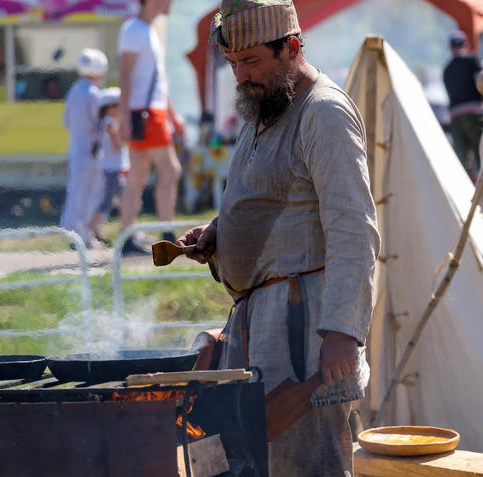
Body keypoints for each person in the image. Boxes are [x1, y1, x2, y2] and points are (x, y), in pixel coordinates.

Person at [177, 1, 380, 474]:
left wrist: (342, 332)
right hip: (258, 322)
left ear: (290, 47)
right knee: (252, 463)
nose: (241, 75)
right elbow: (272, 196)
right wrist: (219, 231)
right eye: (233, 63)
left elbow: (354, 229)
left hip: (304, 331)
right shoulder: (264, 104)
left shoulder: (324, 112)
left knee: (307, 464)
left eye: (251, 61)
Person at [117, 0, 185, 255]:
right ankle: (166, 232)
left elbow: (157, 80)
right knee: (170, 170)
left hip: (146, 112)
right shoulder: (135, 30)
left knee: (138, 175)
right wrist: (125, 117)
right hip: (147, 114)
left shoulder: (146, 30)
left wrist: (172, 115)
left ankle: (127, 237)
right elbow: (125, 74)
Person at [60, 48, 107, 247]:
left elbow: (67, 121)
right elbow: (100, 123)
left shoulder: (74, 91)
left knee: (76, 191)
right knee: (91, 193)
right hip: (92, 151)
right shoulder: (94, 93)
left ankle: (73, 234)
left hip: (75, 148)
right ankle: (85, 236)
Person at [87, 87, 130, 244]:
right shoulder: (110, 123)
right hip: (114, 168)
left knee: (123, 201)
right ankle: (90, 229)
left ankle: (127, 230)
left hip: (112, 168)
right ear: (110, 107)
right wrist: (127, 135)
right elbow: (117, 145)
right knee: (117, 201)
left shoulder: (105, 122)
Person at [443, 30, 483, 181]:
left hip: (455, 115)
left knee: (463, 157)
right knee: (481, 151)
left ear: (450, 47)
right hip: (475, 112)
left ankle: (465, 187)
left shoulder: (446, 69)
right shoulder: (472, 61)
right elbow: (482, 84)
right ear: (465, 44)